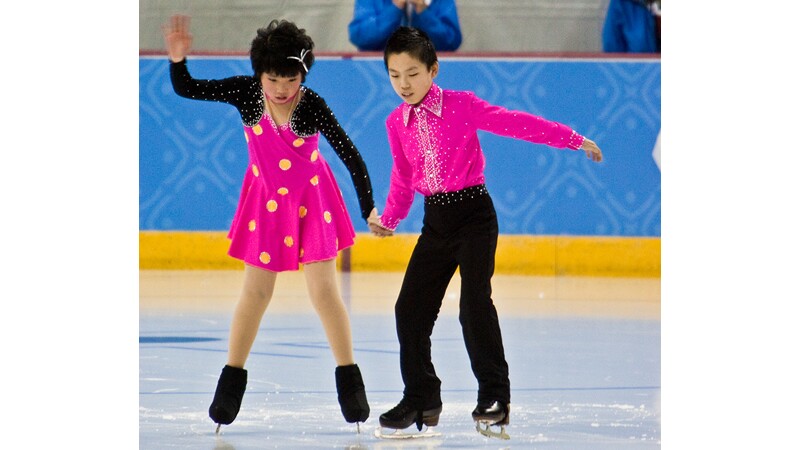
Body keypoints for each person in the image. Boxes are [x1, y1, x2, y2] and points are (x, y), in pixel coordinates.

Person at [367, 27, 604, 436]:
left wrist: (572, 139)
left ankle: (494, 396)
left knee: (474, 306)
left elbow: (515, 123)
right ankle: (422, 397)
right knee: (409, 310)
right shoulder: (396, 122)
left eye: (412, 73)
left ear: (433, 70)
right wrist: (390, 219)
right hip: (435, 222)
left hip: (474, 216)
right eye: (394, 75)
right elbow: (404, 178)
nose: (403, 84)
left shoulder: (461, 105)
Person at [161, 14, 376, 432]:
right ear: (259, 73)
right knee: (256, 293)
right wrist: (177, 61)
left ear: (303, 74)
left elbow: (351, 155)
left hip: (312, 202)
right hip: (265, 202)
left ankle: (350, 382)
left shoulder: (310, 105)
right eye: (273, 79)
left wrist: (368, 208)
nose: (281, 89)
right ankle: (230, 385)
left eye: (291, 79)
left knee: (325, 292)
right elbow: (188, 88)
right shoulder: (246, 94)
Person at [348, 0, 462, 52]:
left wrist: (423, 12)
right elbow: (360, 37)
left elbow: (451, 42)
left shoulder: (442, 2)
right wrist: (395, 8)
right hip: (380, 71)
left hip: (429, 74)